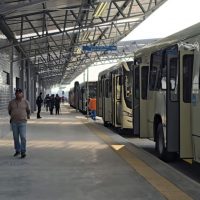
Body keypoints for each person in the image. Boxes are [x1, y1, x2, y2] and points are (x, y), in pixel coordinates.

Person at [8, 88, 30, 158]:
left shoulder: (26, 102)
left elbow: (28, 110)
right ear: (15, 94)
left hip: (22, 122)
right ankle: (18, 150)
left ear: (22, 94)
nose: (18, 94)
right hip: (14, 122)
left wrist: (26, 116)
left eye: (19, 93)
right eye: (17, 93)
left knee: (23, 137)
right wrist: (13, 116)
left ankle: (23, 151)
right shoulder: (11, 102)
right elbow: (9, 111)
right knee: (16, 137)